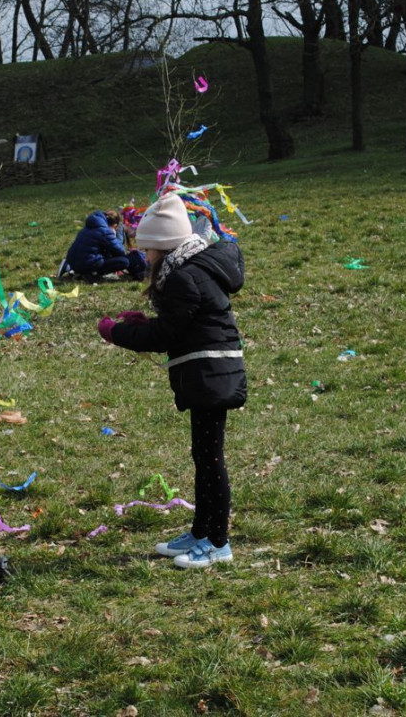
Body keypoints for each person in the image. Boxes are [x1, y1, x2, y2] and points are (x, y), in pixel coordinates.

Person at [97, 190, 246, 569]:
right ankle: (200, 531)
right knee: (203, 457)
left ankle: (218, 542)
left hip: (211, 373)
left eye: (148, 250)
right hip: (210, 370)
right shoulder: (190, 270)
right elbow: (179, 325)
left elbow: (166, 336)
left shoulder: (183, 277)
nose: (144, 257)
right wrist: (142, 323)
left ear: (164, 246)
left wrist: (118, 333)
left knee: (211, 459)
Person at [61, 210, 146, 280]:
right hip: (87, 265)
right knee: (124, 262)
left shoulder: (89, 227)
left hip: (73, 262)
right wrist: (119, 233)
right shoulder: (105, 231)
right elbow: (121, 251)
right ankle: (92, 274)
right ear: (115, 226)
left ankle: (74, 269)